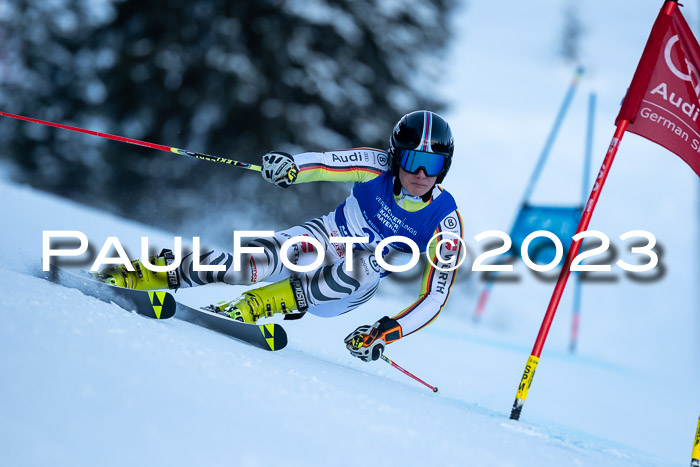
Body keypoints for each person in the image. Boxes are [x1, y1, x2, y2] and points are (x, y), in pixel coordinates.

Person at [98, 110, 463, 362]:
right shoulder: (375, 165)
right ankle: (156, 273)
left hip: (346, 287)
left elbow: (435, 296)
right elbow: (323, 164)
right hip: (322, 238)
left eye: (431, 166)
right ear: (395, 156)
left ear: (442, 169)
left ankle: (258, 304)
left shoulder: (444, 222)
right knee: (251, 263)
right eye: (411, 161)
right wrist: (291, 167)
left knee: (366, 263)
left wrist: (386, 332)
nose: (419, 174)